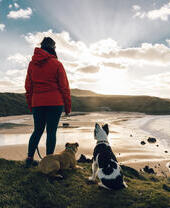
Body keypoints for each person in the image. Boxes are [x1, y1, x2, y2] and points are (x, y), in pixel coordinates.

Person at [25, 37, 71, 167]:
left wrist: (31, 104)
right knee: (51, 132)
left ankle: (29, 159)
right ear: (52, 48)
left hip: (37, 103)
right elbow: (64, 88)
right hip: (55, 103)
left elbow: (28, 87)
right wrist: (67, 107)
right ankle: (49, 161)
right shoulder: (57, 64)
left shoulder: (32, 64)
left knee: (37, 130)